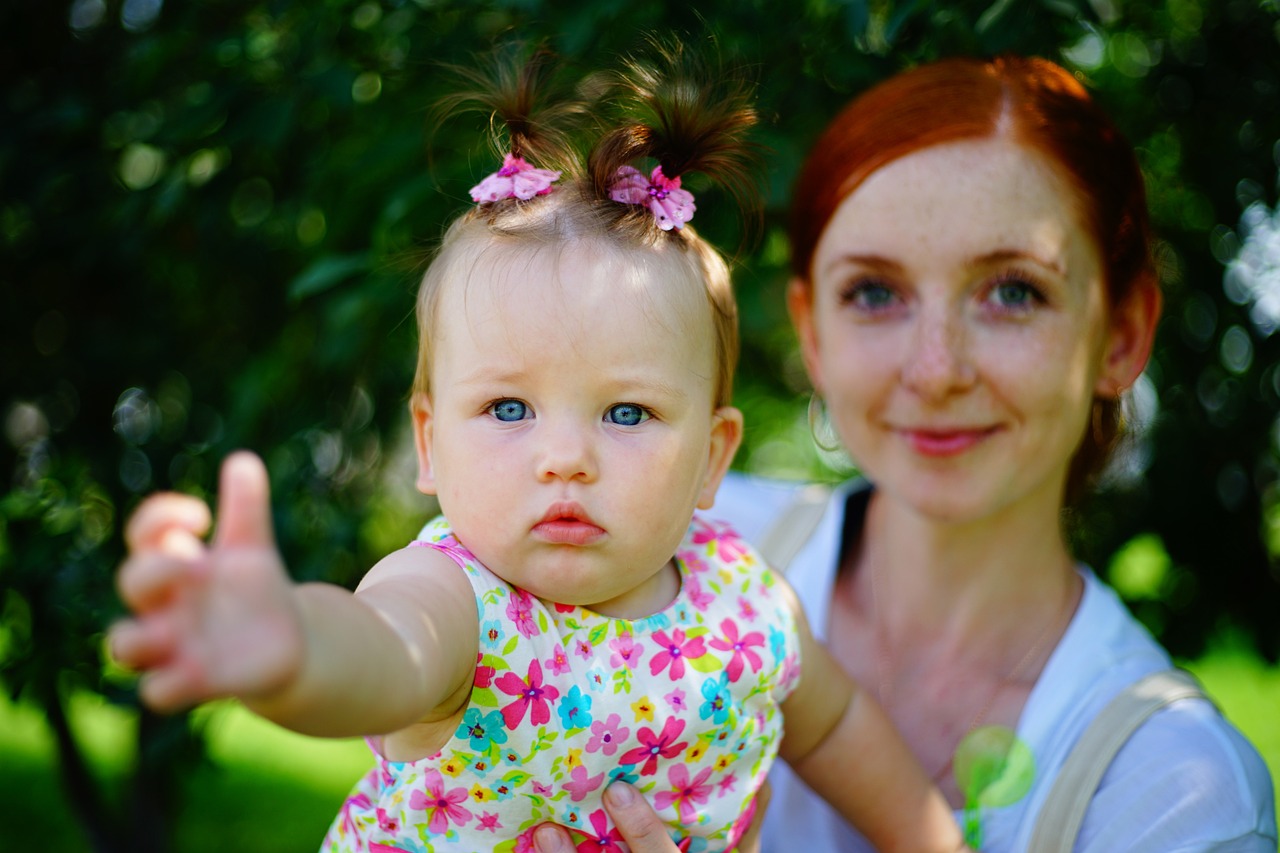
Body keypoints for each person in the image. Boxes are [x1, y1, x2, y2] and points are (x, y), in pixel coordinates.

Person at [108, 44, 965, 853]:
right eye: (508, 406)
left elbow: (839, 725)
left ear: (712, 456)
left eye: (626, 414)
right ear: (430, 441)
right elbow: (381, 653)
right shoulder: (458, 600)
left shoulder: (745, 600)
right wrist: (292, 645)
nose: (566, 457)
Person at [701, 54, 1275, 851]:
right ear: (813, 332)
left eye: (1013, 290)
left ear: (1123, 334)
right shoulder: (679, 555)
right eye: (873, 292)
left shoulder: (1174, 791)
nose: (936, 370)